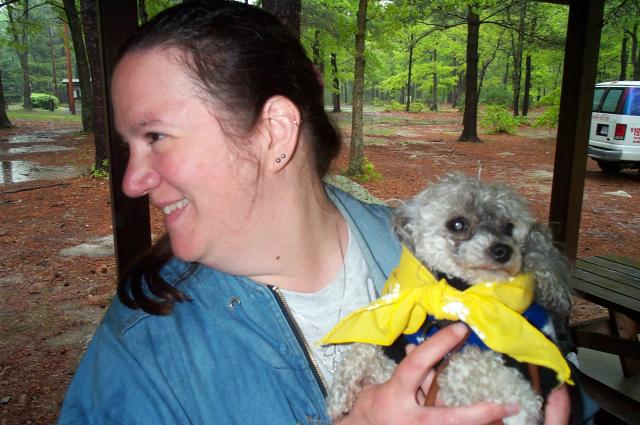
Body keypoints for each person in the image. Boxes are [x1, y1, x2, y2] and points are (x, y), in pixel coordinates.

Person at [57, 2, 583, 424]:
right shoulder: (141, 349)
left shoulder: (452, 260)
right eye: (130, 145)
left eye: (155, 136)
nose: (131, 181)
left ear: (275, 132)